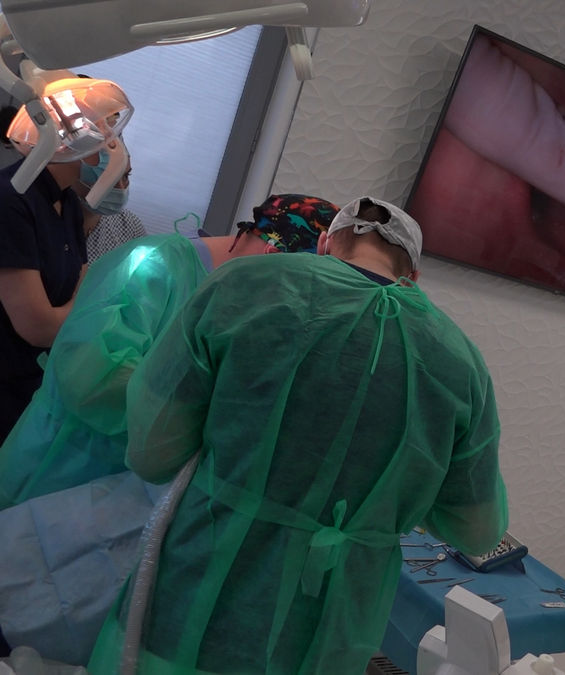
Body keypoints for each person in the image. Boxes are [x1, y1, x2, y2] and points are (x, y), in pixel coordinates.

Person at [87, 196, 508, 674]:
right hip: (327, 626)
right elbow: (476, 531)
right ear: (413, 276)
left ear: (325, 243)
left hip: (200, 588)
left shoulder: (243, 287)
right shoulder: (457, 361)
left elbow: (154, 450)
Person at [0, 193, 340, 509]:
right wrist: (201, 409)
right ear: (274, 257)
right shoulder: (152, 265)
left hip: (127, 497)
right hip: (57, 471)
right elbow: (90, 381)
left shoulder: (241, 302)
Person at [0, 109, 90, 439]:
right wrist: (78, 306)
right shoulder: (11, 199)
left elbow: (83, 280)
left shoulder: (67, 204)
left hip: (35, 386)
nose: (114, 147)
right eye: (107, 135)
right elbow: (39, 328)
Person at [77, 147, 147, 262]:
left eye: (125, 176)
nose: (121, 188)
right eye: (109, 178)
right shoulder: (50, 222)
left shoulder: (129, 226)